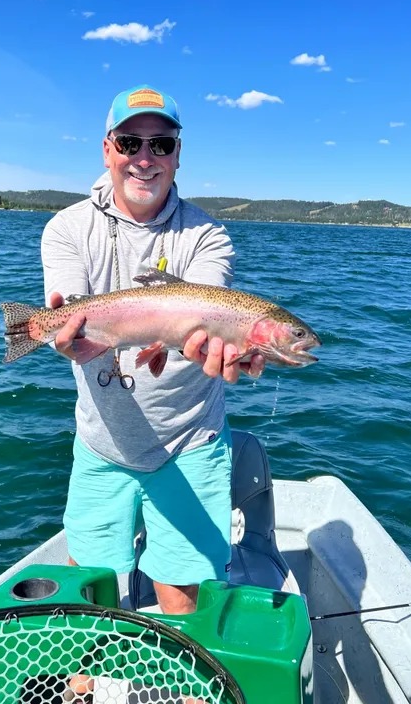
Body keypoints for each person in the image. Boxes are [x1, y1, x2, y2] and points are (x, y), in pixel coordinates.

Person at [41, 85, 264, 616]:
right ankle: (80, 687)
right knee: (89, 583)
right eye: (130, 142)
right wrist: (66, 337)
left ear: (178, 154)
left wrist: (218, 344)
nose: (145, 158)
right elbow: (69, 307)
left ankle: (187, 688)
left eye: (160, 145)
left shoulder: (209, 235)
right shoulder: (67, 228)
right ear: (107, 149)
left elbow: (207, 306)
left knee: (183, 589)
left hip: (191, 441)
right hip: (101, 443)